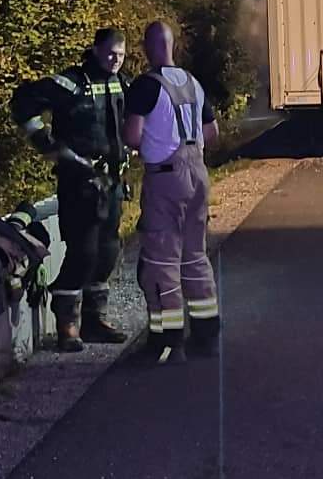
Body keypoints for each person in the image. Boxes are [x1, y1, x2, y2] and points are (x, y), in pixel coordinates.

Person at [11, 27, 128, 352]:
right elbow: (23, 103)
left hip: (112, 182)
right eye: (110, 53)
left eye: (120, 54)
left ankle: (94, 320)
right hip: (79, 183)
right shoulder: (70, 83)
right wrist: (45, 143)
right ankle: (67, 324)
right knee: (83, 252)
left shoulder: (121, 82)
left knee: (107, 252)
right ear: (95, 50)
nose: (115, 60)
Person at [123, 20, 220, 362]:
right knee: (195, 256)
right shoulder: (193, 83)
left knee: (161, 262)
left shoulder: (145, 86)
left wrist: (155, 142)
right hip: (198, 175)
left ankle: (168, 342)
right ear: (172, 45)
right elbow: (212, 131)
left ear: (148, 47)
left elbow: (132, 136)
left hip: (165, 178)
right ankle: (206, 336)